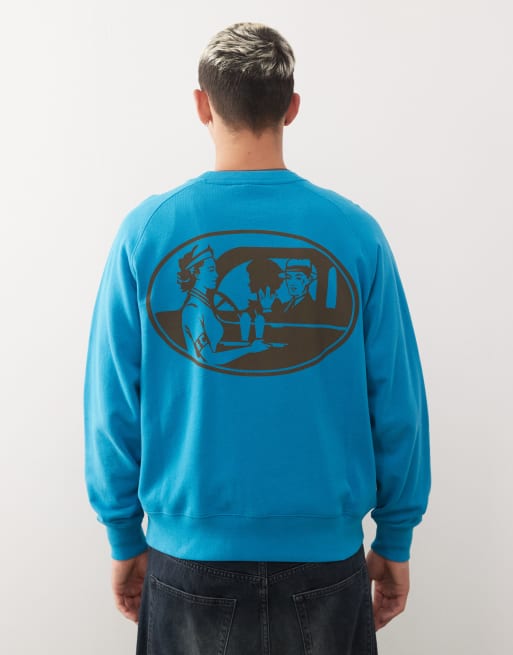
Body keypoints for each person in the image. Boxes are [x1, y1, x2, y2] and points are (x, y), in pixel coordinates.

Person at [83, 21, 431, 654]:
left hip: (187, 562)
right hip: (325, 564)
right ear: (292, 108)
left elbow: (111, 407)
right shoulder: (356, 233)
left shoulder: (146, 232)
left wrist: (123, 535)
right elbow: (398, 402)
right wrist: (396, 537)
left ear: (201, 104)